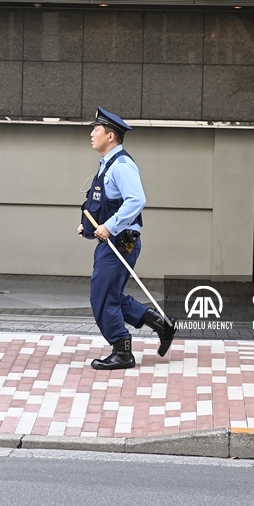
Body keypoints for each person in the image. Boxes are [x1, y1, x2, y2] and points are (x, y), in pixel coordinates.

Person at [78, 107, 176, 370]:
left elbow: (137, 200)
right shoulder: (106, 164)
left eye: (96, 130)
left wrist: (109, 227)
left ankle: (123, 351)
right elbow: (104, 202)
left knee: (102, 296)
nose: (91, 134)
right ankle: (160, 323)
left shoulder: (121, 165)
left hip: (121, 242)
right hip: (111, 241)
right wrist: (88, 226)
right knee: (108, 294)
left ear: (110, 136)